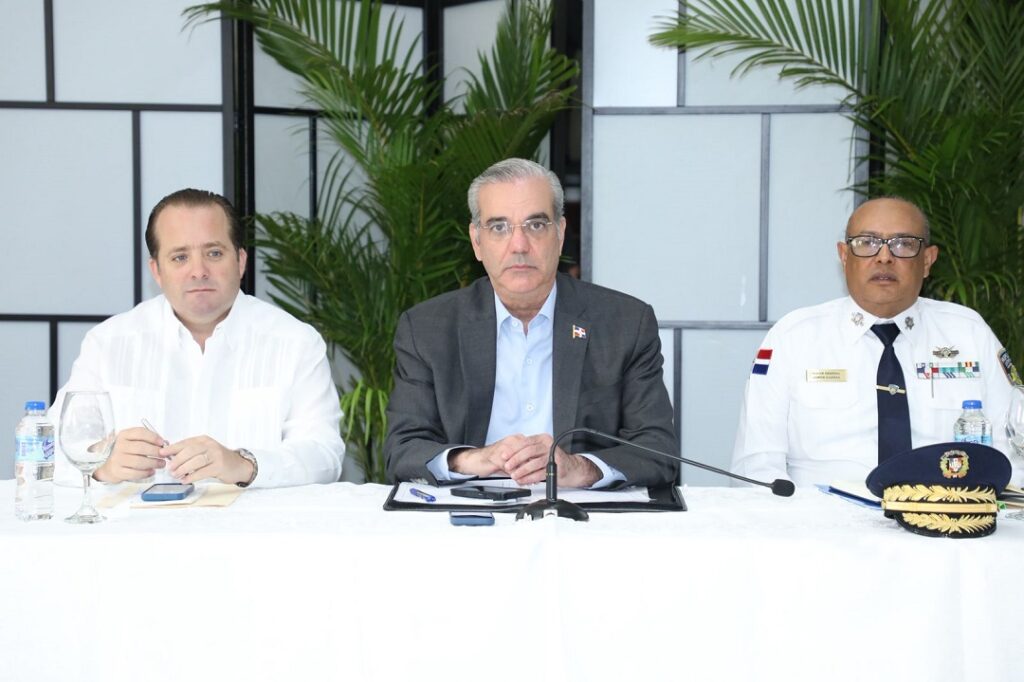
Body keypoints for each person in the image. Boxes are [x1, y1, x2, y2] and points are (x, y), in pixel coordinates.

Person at [385, 158, 677, 489]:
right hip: (469, 511)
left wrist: (580, 468)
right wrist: (474, 460)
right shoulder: (427, 329)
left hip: (581, 512)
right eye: (499, 227)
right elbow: (402, 448)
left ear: (560, 234)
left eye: (535, 225)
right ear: (477, 242)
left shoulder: (625, 323)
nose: (519, 245)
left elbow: (657, 450)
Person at [53, 189, 345, 488]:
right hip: (136, 518)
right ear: (156, 270)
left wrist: (245, 464)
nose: (199, 271)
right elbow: (48, 451)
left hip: (253, 518)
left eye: (214, 253)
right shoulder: (107, 343)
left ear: (240, 261)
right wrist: (102, 463)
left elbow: (325, 455)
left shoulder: (296, 342)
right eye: (180, 257)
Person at [732, 197, 1019, 487]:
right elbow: (756, 467)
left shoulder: (968, 333)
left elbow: (1015, 452)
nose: (884, 257)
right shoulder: (793, 337)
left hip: (944, 510)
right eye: (867, 242)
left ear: (927, 261)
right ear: (844, 256)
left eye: (903, 244)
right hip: (820, 512)